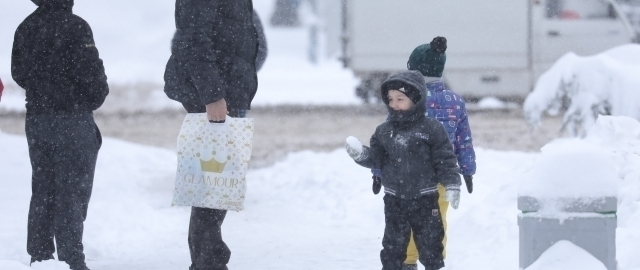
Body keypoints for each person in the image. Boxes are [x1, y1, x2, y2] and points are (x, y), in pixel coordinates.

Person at [11, 0, 109, 269]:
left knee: (43, 188)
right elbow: (93, 77)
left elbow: (18, 73)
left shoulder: (25, 27)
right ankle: (71, 259)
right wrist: (83, 98)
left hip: (38, 118)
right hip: (72, 119)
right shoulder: (76, 27)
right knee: (71, 192)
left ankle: (40, 256)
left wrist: (45, 89)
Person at [163, 0, 259, 269]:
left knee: (218, 185)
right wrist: (213, 94)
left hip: (227, 88)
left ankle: (208, 260)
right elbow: (193, 39)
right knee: (213, 185)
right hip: (217, 94)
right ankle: (208, 262)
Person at [371, 37, 477, 270]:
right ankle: (435, 260)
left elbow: (388, 142)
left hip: (408, 176)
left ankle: (408, 262)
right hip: (440, 178)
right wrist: (467, 170)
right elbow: (463, 140)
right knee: (437, 222)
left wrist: (378, 171)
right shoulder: (455, 102)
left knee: (406, 223)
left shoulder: (407, 100)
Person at [346, 70, 461, 270]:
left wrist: (452, 184)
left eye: (400, 98)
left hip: (425, 199)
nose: (394, 104)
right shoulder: (384, 131)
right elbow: (377, 158)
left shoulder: (431, 129)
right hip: (394, 200)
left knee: (431, 242)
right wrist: (361, 155)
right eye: (390, 99)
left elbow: (445, 159)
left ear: (415, 98)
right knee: (393, 245)